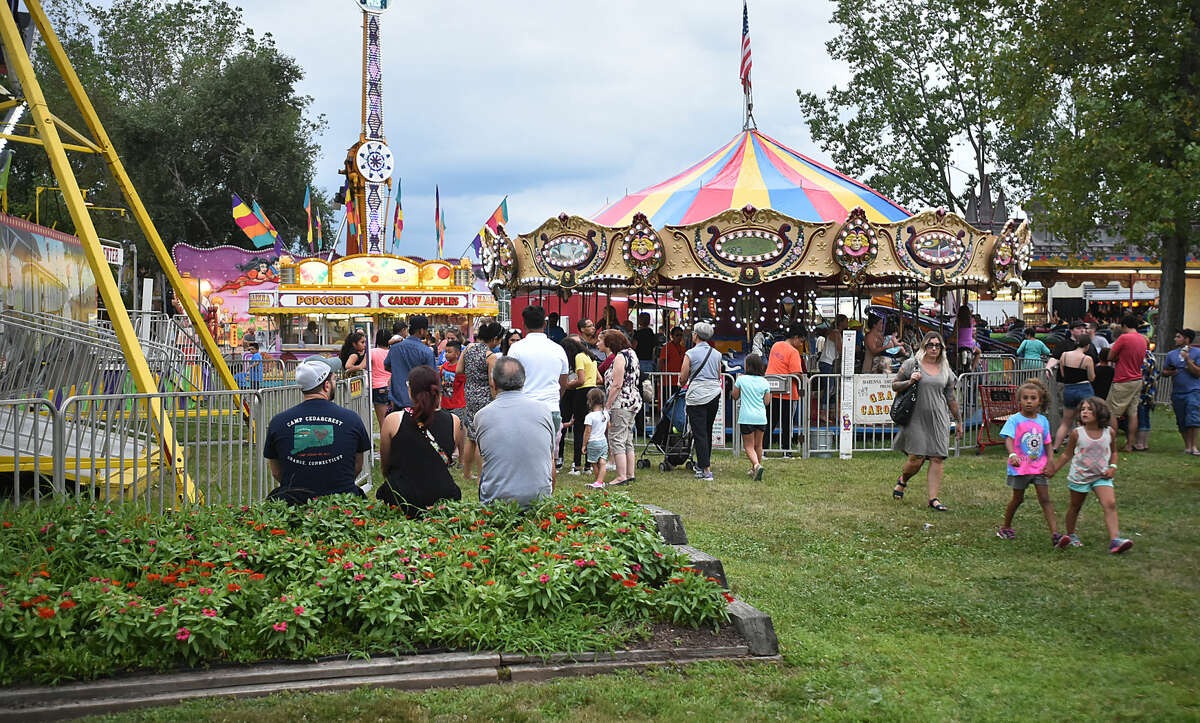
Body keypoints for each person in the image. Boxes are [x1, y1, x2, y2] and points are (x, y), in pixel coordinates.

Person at [262, 356, 368, 505]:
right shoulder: (352, 419)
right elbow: (357, 466)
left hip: (293, 504)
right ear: (326, 386)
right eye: (334, 379)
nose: (336, 382)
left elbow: (277, 472)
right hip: (343, 504)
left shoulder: (278, 422)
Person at [1046, 397, 1133, 553]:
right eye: (1083, 409)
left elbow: (1113, 452)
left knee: (1110, 504)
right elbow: (1067, 455)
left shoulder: (1109, 433)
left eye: (1090, 409)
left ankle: (1115, 540)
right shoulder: (1077, 434)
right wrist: (1053, 470)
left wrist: (1112, 467)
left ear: (1100, 413)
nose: (1085, 412)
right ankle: (1071, 535)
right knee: (1075, 506)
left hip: (1102, 476)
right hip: (1080, 477)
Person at [890, 331, 963, 511]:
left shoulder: (945, 368)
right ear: (923, 347)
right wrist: (909, 381)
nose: (933, 348)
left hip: (938, 417)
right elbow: (894, 385)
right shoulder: (911, 364)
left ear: (942, 348)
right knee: (917, 457)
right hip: (915, 416)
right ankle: (903, 480)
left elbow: (950, 397)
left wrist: (959, 420)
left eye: (937, 345)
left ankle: (933, 499)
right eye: (930, 345)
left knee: (938, 457)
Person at [377, 365, 463, 516]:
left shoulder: (393, 420)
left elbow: (385, 465)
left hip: (402, 497)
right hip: (442, 495)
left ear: (411, 391)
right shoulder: (453, 421)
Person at [996, 379, 1071, 547]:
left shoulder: (1043, 421)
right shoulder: (1014, 420)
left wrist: (1050, 460)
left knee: (1045, 499)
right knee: (1018, 499)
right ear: (1019, 400)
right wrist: (1013, 454)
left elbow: (1047, 443)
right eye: (1025, 398)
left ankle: (1055, 535)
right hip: (1020, 467)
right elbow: (1009, 439)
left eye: (1033, 398)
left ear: (1040, 401)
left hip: (1039, 467)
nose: (1029, 401)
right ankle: (1005, 527)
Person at [474, 357, 554, 507]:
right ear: (523, 381)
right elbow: (551, 459)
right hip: (539, 500)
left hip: (496, 502)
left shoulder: (482, 415)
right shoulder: (544, 411)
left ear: (494, 382)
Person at [507, 305, 570, 479]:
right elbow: (562, 383)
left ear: (524, 325)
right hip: (551, 408)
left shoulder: (516, 349)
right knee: (548, 457)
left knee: (521, 456)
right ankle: (548, 496)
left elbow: (510, 379)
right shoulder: (558, 349)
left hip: (523, 408)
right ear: (545, 323)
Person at [457, 322, 502, 482]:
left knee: (471, 435)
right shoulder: (491, 357)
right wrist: (496, 399)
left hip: (469, 394)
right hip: (484, 397)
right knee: (482, 438)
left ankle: (467, 473)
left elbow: (459, 370)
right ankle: (481, 476)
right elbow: (492, 382)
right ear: (495, 339)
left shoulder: (468, 348)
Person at [678, 322, 722, 481]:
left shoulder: (690, 353)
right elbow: (718, 375)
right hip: (714, 394)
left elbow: (683, 377)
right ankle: (704, 463)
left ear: (695, 335)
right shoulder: (717, 354)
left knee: (699, 433)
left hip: (697, 395)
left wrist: (680, 384)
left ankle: (705, 469)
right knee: (707, 431)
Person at [600, 329, 643, 485]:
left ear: (610, 343)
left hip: (621, 401)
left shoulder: (619, 357)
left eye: (601, 340)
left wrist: (608, 405)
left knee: (616, 438)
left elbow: (617, 384)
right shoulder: (632, 353)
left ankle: (621, 476)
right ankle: (630, 473)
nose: (599, 343)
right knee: (627, 438)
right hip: (633, 400)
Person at [1105, 314, 1148, 452]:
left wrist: (1118, 358)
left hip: (1122, 380)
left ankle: (1113, 444)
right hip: (1137, 379)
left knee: (1112, 413)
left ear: (1124, 325)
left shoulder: (1124, 338)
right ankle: (1129, 444)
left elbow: (1110, 356)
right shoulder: (1143, 339)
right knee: (1133, 413)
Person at [1052, 333, 1097, 451]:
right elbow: (1092, 377)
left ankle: (1055, 446)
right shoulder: (1087, 359)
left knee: (1066, 422)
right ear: (1087, 346)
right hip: (1084, 389)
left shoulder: (1064, 355)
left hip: (1068, 389)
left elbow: (1063, 374)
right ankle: (1086, 447)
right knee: (1087, 420)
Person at [765, 323, 806, 454]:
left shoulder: (775, 346)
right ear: (795, 337)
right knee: (787, 424)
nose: (801, 344)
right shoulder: (793, 352)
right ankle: (786, 450)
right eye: (801, 341)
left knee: (769, 422)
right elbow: (796, 373)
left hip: (772, 391)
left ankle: (764, 449)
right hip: (789, 394)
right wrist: (804, 380)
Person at [562, 335, 598, 475]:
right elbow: (597, 378)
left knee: (579, 429)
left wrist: (567, 385)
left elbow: (581, 380)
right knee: (590, 428)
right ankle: (588, 465)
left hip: (581, 393)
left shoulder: (578, 358)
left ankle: (577, 466)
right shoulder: (591, 356)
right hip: (593, 390)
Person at [1162, 329, 1200, 455]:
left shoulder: (1197, 353)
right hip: (1177, 392)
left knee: (1193, 418)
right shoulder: (1171, 354)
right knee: (1181, 420)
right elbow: (1164, 371)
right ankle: (1187, 446)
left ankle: (1194, 447)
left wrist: (1188, 360)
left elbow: (1197, 373)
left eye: (1178, 337)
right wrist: (1171, 372)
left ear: (1187, 339)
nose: (1175, 339)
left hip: (1193, 390)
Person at [384, 315, 435, 409]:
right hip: (419, 402)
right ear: (422, 330)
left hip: (397, 401)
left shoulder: (395, 347)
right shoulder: (426, 351)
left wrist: (398, 371)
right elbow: (432, 377)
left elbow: (386, 366)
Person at [733, 353, 771, 481]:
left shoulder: (741, 379)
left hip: (746, 417)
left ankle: (756, 465)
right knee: (758, 446)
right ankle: (755, 469)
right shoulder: (765, 382)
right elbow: (767, 402)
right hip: (761, 417)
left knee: (748, 446)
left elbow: (735, 395)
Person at [582, 387, 610, 489]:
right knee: (602, 462)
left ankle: (598, 482)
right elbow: (608, 426)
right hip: (603, 442)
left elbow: (587, 432)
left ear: (590, 401)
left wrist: (584, 445)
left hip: (593, 443)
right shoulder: (605, 414)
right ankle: (600, 482)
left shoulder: (590, 416)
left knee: (594, 463)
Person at [369, 329, 392, 427]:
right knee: (393, 419)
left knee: (382, 422)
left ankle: (385, 441)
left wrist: (350, 369)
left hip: (377, 387)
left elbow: (362, 366)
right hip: (392, 387)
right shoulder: (393, 352)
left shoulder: (372, 352)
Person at [440, 339, 466, 426]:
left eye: (449, 352)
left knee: (457, 426)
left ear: (457, 354)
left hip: (457, 405)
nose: (446, 354)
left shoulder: (460, 369)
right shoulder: (444, 366)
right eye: (445, 351)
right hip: (444, 403)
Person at [633, 312, 657, 376]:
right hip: (649, 360)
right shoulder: (651, 333)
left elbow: (634, 346)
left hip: (639, 360)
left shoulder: (638, 333)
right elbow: (654, 348)